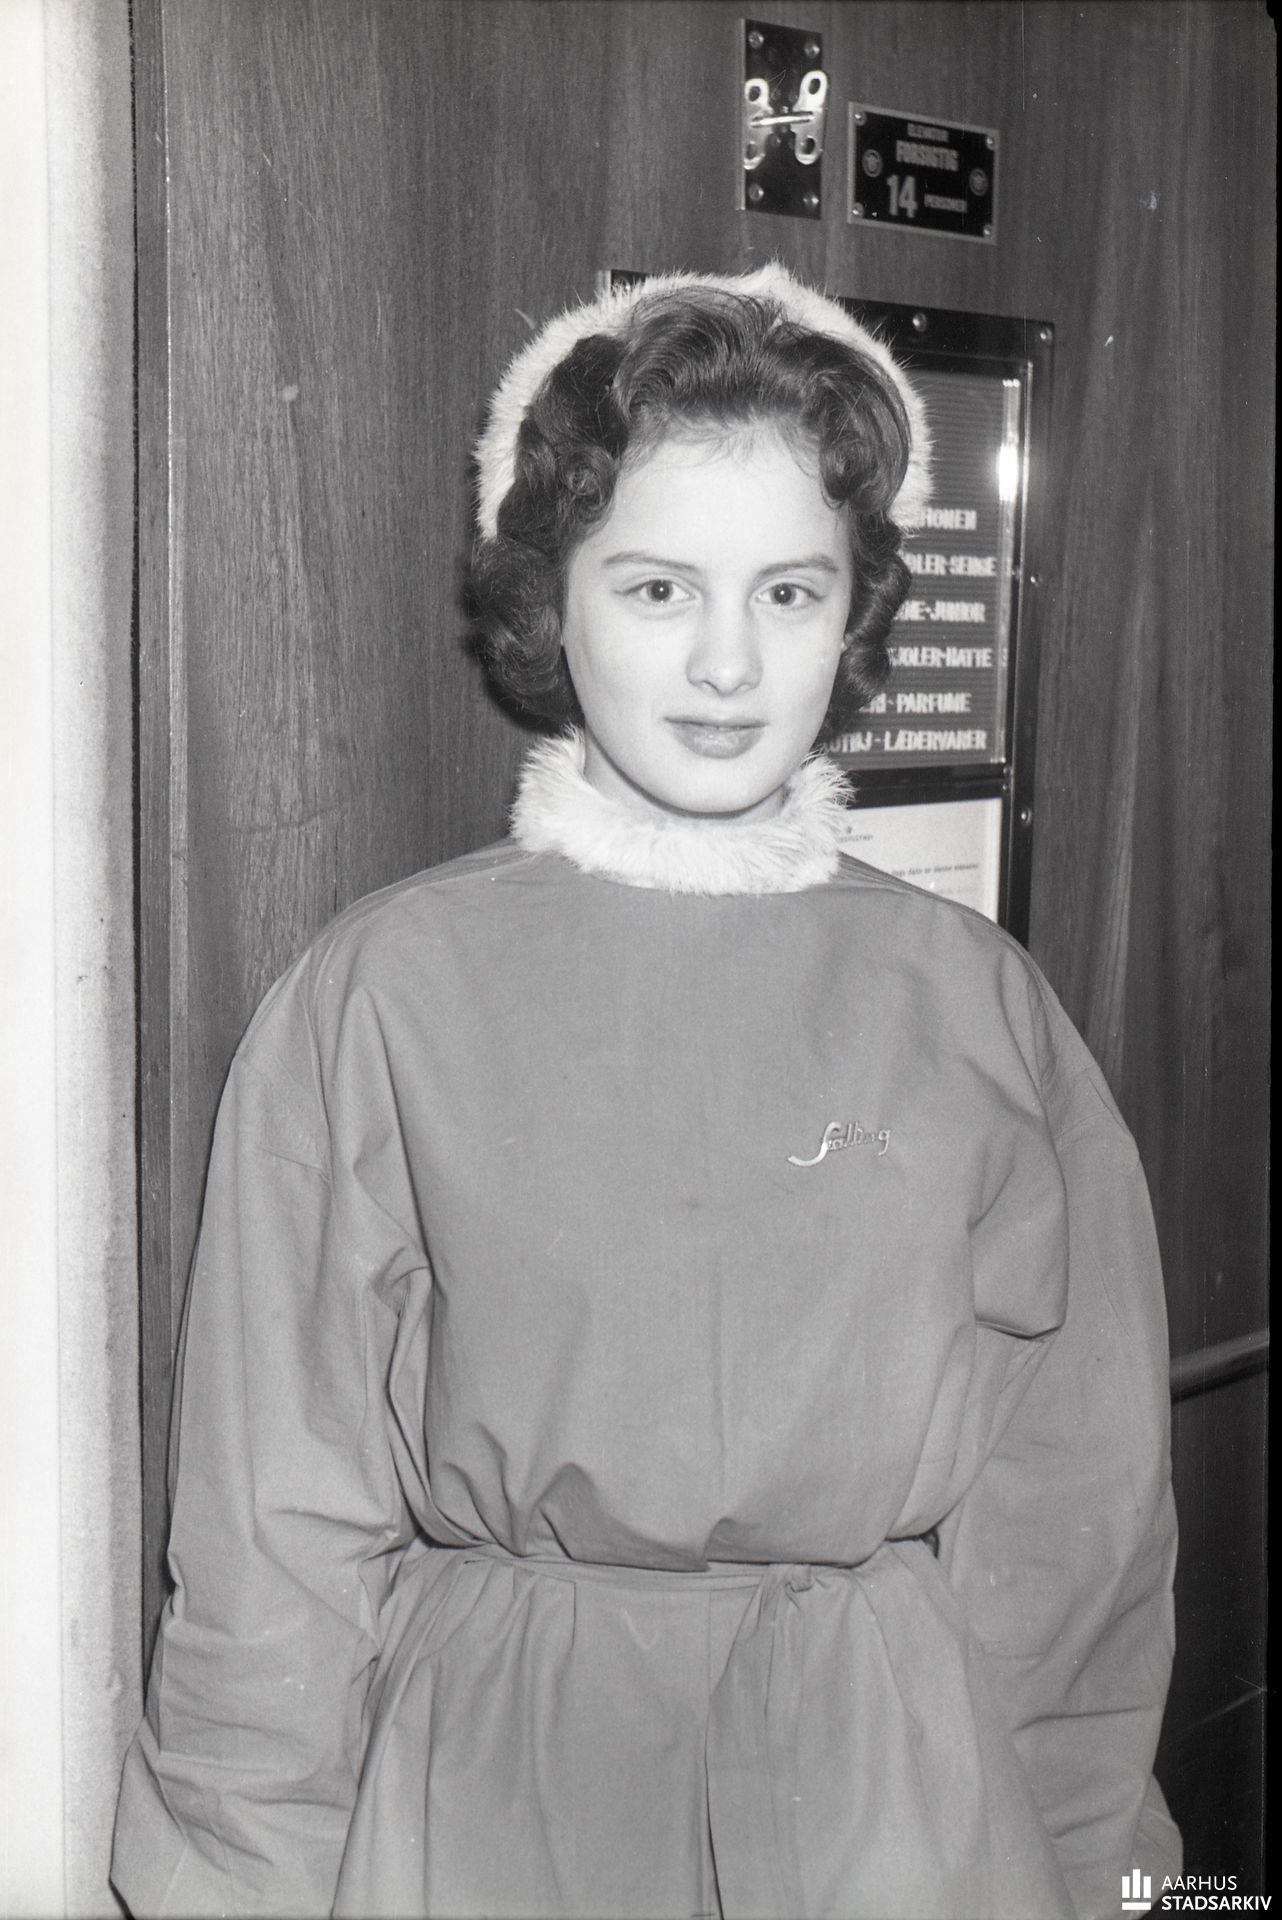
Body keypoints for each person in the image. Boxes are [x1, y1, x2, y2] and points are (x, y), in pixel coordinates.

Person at [111, 264, 1180, 1920]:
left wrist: (1114, 1886)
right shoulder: (382, 992)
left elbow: (1077, 1530)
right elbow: (274, 1528)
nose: (727, 665)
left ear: (854, 615)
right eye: (660, 588)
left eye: (789, 592)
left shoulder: (980, 1007)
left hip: (894, 1803)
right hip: (498, 1794)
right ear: (553, 602)